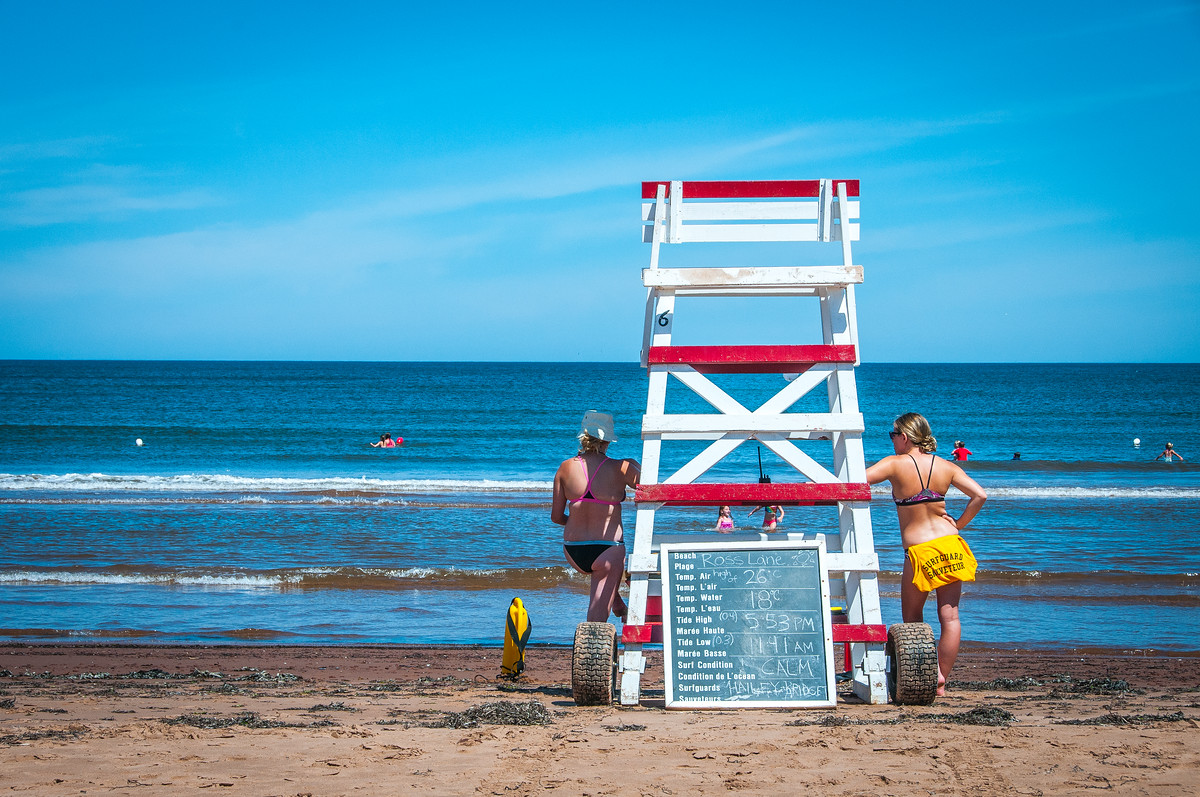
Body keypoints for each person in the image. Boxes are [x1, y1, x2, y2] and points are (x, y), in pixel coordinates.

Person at [866, 412, 987, 696]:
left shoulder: (894, 464)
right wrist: (958, 524)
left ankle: (924, 674)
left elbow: (858, 481)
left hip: (919, 551)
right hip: (950, 545)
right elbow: (980, 495)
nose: (891, 440)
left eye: (892, 434)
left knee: (913, 618)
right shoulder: (946, 466)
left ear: (905, 437)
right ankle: (941, 677)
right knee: (950, 617)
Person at [551, 411, 640, 623]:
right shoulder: (621, 467)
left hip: (573, 549)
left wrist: (576, 522)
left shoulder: (565, 467)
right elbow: (649, 485)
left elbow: (556, 517)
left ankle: (617, 602)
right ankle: (591, 652)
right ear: (608, 440)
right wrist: (633, 463)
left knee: (602, 574)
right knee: (596, 620)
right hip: (607, 548)